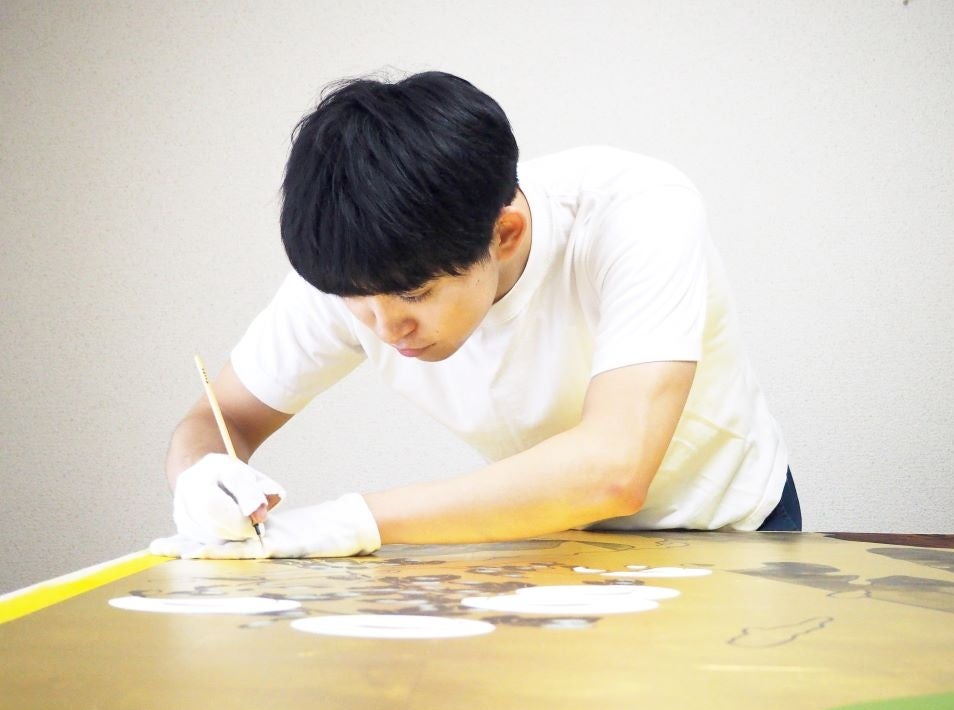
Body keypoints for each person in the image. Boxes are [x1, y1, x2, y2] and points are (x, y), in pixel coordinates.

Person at [151, 71, 800, 561]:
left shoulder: (638, 213)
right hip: (555, 541)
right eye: (356, 303)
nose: (385, 328)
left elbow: (613, 471)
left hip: (724, 528)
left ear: (506, 233)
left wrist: (349, 522)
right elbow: (220, 417)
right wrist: (201, 477)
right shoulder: (356, 265)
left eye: (415, 296)